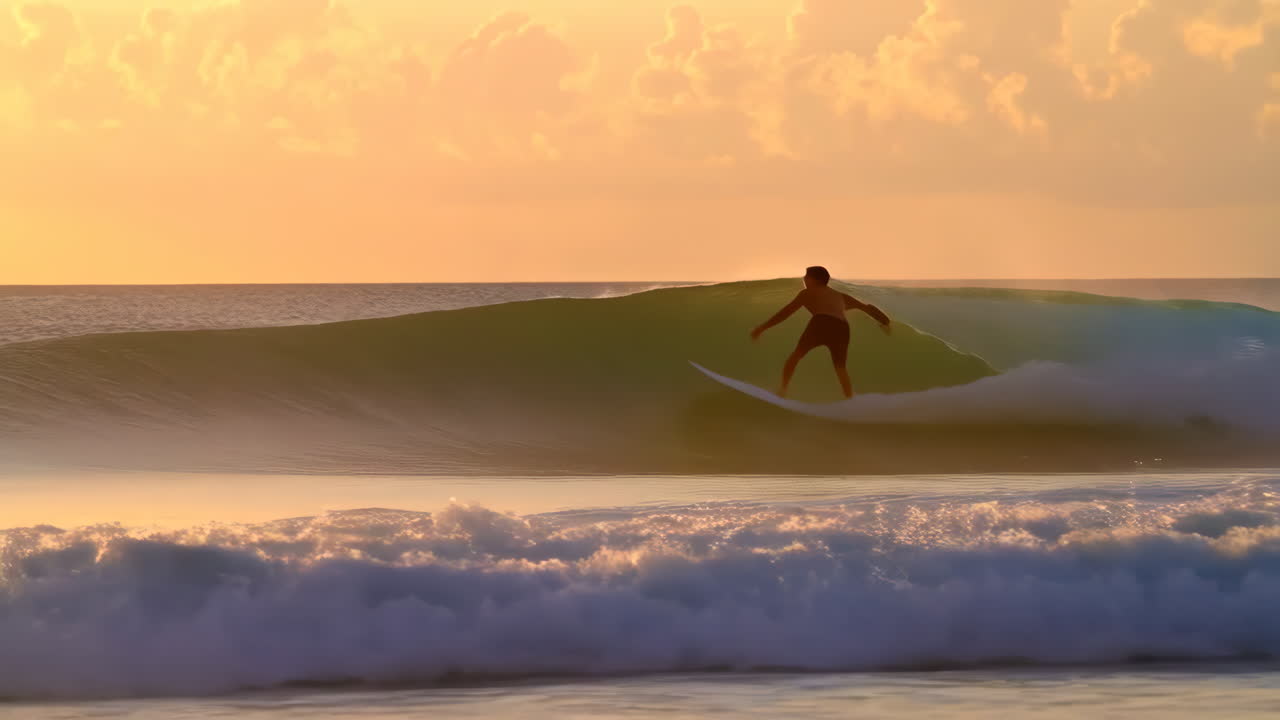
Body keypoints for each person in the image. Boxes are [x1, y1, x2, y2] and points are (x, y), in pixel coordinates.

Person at [750, 266, 891, 399]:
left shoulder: (807, 293)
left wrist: (762, 328)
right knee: (840, 368)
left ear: (815, 280)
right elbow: (866, 307)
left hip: (821, 322)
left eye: (807, 276)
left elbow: (786, 312)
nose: (804, 279)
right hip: (842, 327)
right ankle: (850, 399)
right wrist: (885, 322)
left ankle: (782, 391)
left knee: (795, 357)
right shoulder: (840, 296)